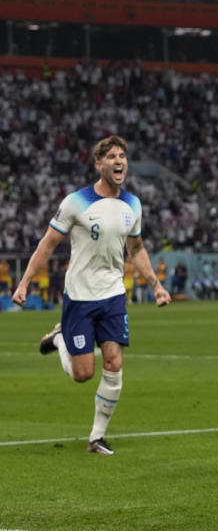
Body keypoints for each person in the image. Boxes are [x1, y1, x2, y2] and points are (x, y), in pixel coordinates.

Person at [12, 135, 171, 455]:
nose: (119, 161)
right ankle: (59, 339)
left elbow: (136, 248)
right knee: (83, 374)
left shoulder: (133, 204)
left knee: (113, 362)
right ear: (99, 165)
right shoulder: (76, 202)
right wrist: (25, 282)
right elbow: (47, 244)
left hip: (113, 295)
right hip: (80, 297)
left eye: (122, 156)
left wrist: (156, 285)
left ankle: (96, 438)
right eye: (111, 156)